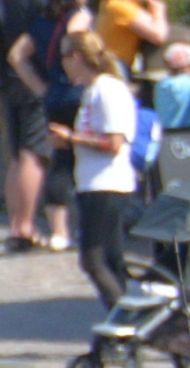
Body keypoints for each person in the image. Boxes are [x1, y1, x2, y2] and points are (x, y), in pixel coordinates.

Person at [50, 30, 135, 307]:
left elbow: (114, 142)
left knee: (93, 260)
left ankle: (123, 328)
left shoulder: (107, 89)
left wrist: (71, 138)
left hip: (107, 184)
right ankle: (121, 330)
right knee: (111, 260)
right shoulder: (92, 91)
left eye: (62, 57)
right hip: (92, 183)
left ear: (75, 57)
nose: (60, 64)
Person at [7, 0, 92, 252]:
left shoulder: (44, 19)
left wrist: (41, 88)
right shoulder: (79, 15)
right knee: (87, 161)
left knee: (61, 162)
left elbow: (16, 55)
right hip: (77, 96)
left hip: (54, 99)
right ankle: (87, 227)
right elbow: (75, 44)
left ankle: (59, 231)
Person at [0, 0, 53, 252]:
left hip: (10, 78)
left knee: (18, 156)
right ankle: (25, 228)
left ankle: (16, 227)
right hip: (33, 75)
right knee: (33, 155)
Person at [93, 0, 166, 74]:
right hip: (115, 65)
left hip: (106, 63)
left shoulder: (110, 3)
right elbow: (158, 36)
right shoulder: (121, 6)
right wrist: (159, 12)